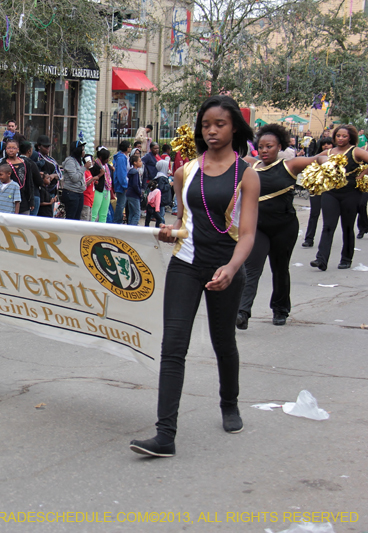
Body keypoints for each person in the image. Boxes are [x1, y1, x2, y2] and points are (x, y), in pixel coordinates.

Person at [129, 95, 259, 458]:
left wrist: (231, 268)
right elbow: (183, 221)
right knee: (173, 347)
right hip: (184, 266)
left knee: (223, 342)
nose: (212, 131)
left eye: (220, 124)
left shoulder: (247, 175)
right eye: (205, 125)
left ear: (234, 127)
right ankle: (165, 435)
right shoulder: (184, 172)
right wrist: (170, 232)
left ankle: (229, 403)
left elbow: (248, 234)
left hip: (225, 267)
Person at [237, 124, 321, 329]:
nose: (264, 150)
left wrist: (326, 162)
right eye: (261, 147)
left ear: (280, 147)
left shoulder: (290, 165)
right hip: (257, 227)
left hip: (284, 227)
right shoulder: (250, 165)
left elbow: (318, 158)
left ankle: (280, 309)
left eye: (270, 146)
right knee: (251, 268)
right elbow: (226, 158)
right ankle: (242, 312)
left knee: (280, 268)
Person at [311, 125, 368, 270]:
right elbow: (312, 160)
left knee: (347, 226)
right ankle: (321, 259)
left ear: (350, 137)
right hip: (330, 192)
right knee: (328, 226)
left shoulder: (355, 151)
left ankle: (346, 259)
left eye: (344, 136)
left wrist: (362, 175)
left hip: (351, 193)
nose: (340, 138)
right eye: (338, 136)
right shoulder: (328, 152)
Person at [301, 136, 333, 248]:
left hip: (330, 190)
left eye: (329, 144)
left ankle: (326, 241)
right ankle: (309, 239)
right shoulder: (316, 158)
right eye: (324, 144)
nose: (326, 146)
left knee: (328, 216)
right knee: (314, 213)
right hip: (317, 188)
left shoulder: (338, 159)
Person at [0, 140, 35, 215]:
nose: (11, 150)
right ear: (6, 149)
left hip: (23, 199)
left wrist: (31, 200)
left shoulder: (25, 163)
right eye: (9, 148)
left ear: (18, 149)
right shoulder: (3, 164)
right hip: (8, 199)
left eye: (14, 148)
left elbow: (29, 182)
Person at [61, 140, 87, 220]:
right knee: (71, 218)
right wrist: (84, 168)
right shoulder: (70, 161)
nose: (84, 152)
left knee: (77, 218)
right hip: (71, 193)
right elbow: (74, 178)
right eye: (82, 150)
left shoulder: (78, 161)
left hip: (79, 193)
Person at [19, 141, 43, 215]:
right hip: (32, 195)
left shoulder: (15, 162)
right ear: (29, 151)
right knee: (30, 219)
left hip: (18, 195)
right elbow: (39, 181)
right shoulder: (31, 163)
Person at [91, 148, 112, 223]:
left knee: (104, 214)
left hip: (107, 190)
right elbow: (92, 178)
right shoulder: (95, 166)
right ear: (101, 157)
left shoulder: (107, 166)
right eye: (106, 158)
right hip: (98, 190)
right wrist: (100, 174)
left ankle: (102, 228)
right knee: (94, 212)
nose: (107, 160)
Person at [112, 141, 131, 223]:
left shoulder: (123, 157)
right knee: (121, 205)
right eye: (129, 147)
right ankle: (117, 221)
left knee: (122, 204)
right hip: (121, 185)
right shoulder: (121, 158)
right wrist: (125, 185)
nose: (131, 148)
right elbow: (121, 173)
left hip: (123, 184)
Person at [125, 154, 143, 226]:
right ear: (135, 163)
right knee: (137, 214)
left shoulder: (131, 171)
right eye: (140, 161)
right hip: (134, 195)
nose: (141, 163)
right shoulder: (135, 172)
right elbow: (135, 185)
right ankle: (133, 228)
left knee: (131, 213)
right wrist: (140, 192)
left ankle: (129, 227)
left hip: (129, 194)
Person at [81, 156, 98, 221]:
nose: (93, 163)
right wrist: (92, 179)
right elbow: (85, 184)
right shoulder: (84, 172)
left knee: (89, 218)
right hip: (86, 198)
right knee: (85, 218)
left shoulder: (89, 171)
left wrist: (94, 181)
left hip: (91, 198)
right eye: (92, 161)